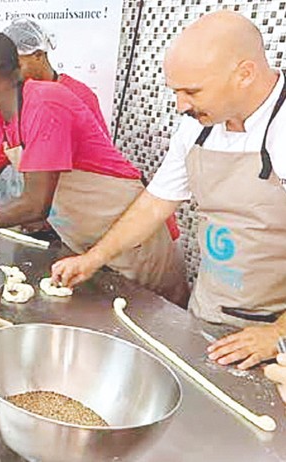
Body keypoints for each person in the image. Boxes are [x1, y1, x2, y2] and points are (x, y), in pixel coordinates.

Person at [0, 31, 189, 307]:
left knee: (155, 320)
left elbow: (35, 205)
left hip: (136, 240)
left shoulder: (45, 104)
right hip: (86, 239)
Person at [52, 11, 286, 370]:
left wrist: (277, 335)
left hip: (273, 329)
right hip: (210, 308)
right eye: (175, 91)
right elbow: (155, 203)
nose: (181, 106)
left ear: (245, 74)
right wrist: (93, 259)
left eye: (191, 91)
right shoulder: (197, 128)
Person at [0, 16, 114, 216]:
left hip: (87, 211)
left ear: (38, 55)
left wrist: (42, 211)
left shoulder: (78, 96)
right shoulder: (6, 107)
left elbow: (98, 164)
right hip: (39, 212)